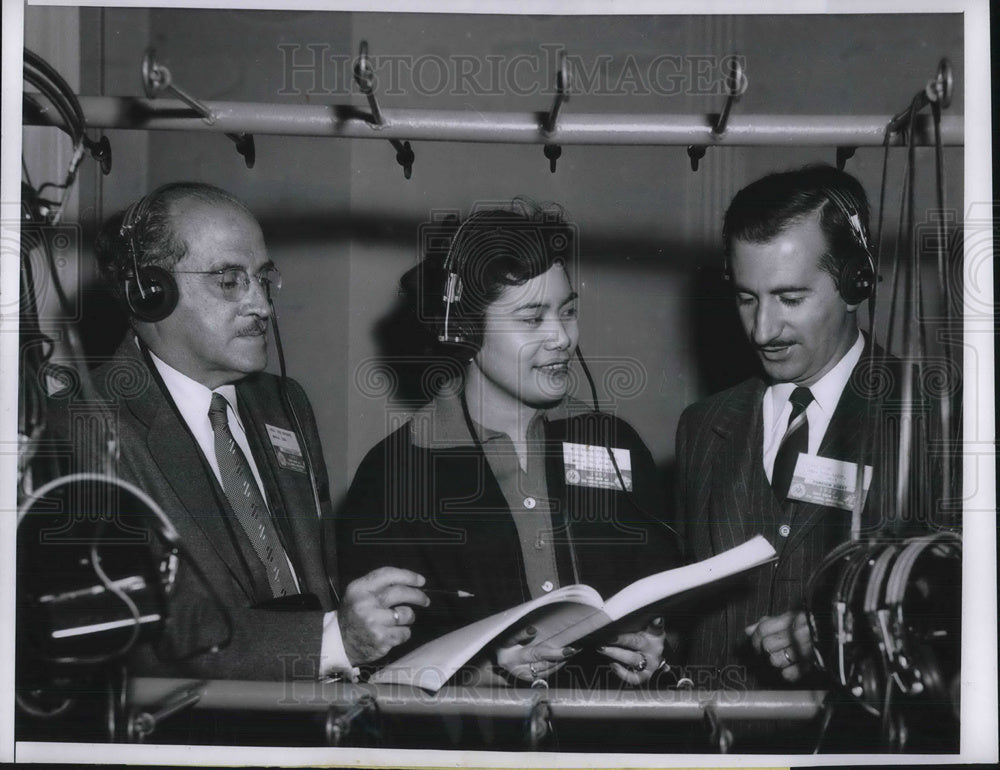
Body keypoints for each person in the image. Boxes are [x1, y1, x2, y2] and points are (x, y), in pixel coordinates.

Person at [41, 182, 428, 681]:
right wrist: (336, 640)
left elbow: (322, 590)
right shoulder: (84, 429)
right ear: (149, 293)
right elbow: (147, 640)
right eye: (229, 281)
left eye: (264, 279)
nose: (262, 305)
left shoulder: (286, 404)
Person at [336, 200, 683, 688]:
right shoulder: (393, 473)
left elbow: (670, 601)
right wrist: (484, 669)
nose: (562, 337)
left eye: (567, 312)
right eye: (531, 318)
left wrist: (657, 646)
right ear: (464, 332)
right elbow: (380, 664)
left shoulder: (616, 445)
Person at [676, 165, 909, 698]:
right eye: (746, 297)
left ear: (856, 283)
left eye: (790, 299)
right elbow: (688, 614)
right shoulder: (702, 425)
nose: (763, 330)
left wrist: (842, 635)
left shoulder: (938, 415)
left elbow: (964, 604)